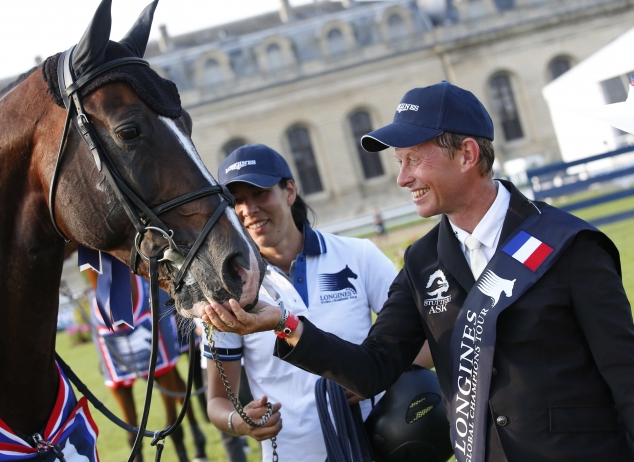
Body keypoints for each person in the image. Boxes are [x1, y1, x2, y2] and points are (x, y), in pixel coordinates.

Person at [203, 81, 634, 462]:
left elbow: (626, 379)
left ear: (466, 154)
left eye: (413, 160)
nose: (402, 179)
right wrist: (285, 324)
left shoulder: (570, 245)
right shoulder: (422, 262)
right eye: (399, 163)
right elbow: (372, 368)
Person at [203, 144, 416, 462]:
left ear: (289, 190)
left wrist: (377, 373)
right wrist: (241, 421)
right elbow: (217, 400)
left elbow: (421, 342)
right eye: (237, 201)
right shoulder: (226, 290)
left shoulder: (358, 255)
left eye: (259, 193)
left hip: (382, 444)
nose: (248, 209)